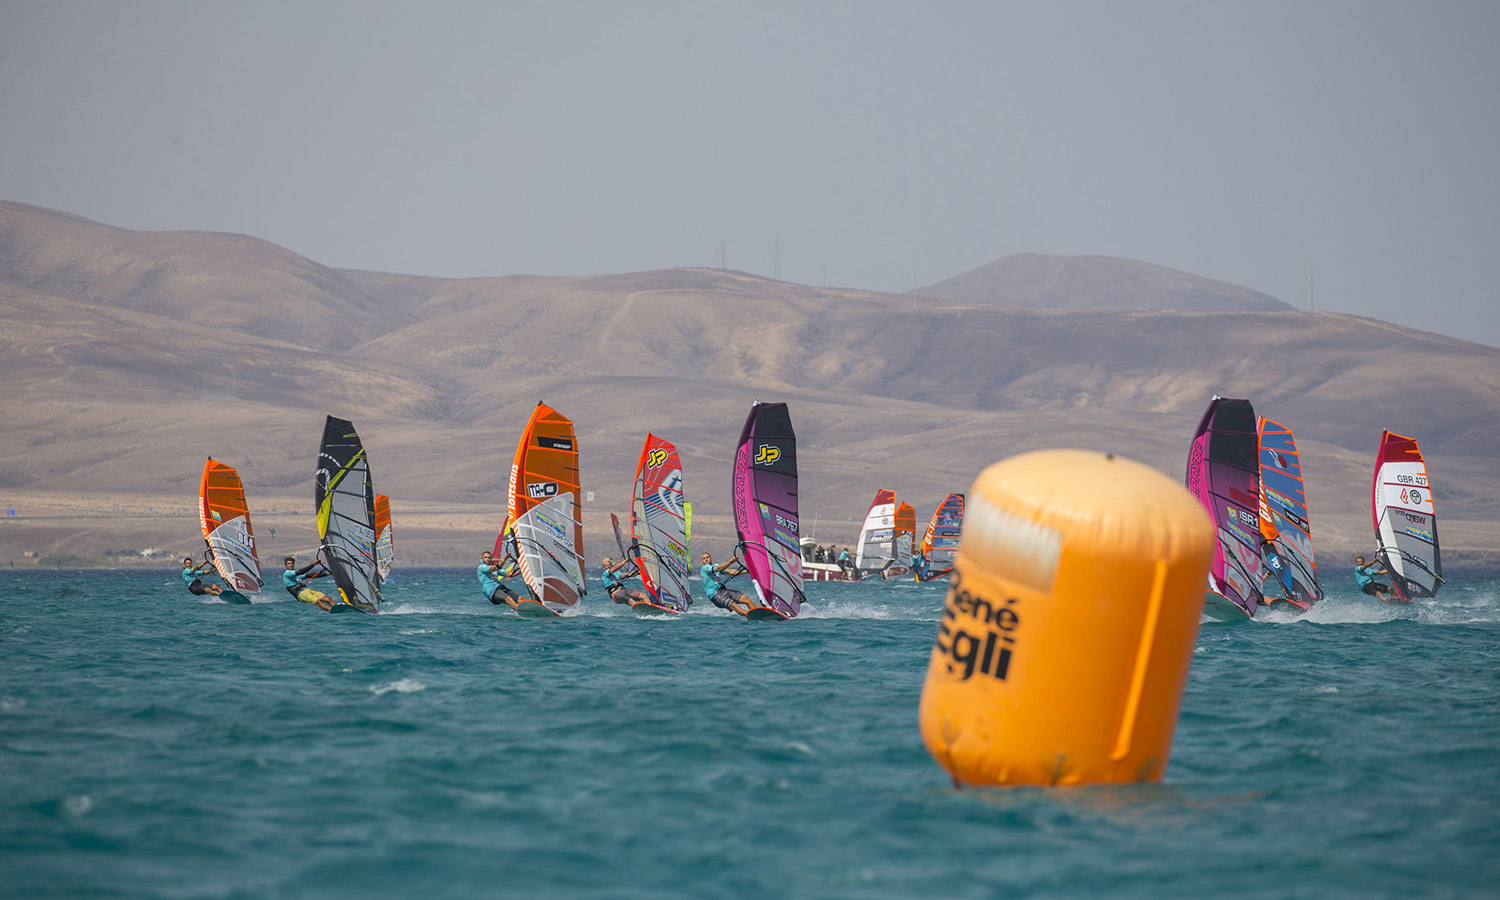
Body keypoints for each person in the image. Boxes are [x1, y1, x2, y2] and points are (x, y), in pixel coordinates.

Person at [699, 551, 755, 615]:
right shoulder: (705, 568)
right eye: (704, 559)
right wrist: (731, 561)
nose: (706, 559)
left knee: (746, 599)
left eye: (707, 557)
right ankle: (751, 616)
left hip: (724, 590)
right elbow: (719, 568)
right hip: (715, 595)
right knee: (734, 606)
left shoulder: (715, 565)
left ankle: (759, 613)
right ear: (702, 561)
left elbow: (731, 572)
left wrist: (748, 571)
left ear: (711, 558)